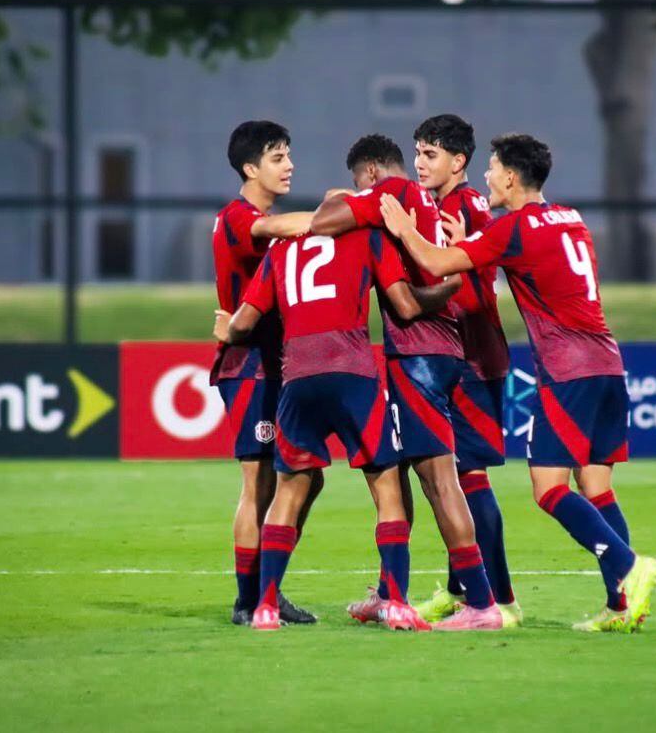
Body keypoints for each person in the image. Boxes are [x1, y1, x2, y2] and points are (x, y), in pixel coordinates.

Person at [377, 133, 656, 632]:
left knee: (548, 488)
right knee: (595, 485)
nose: (487, 177)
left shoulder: (516, 228)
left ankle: (630, 566)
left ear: (511, 177)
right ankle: (622, 606)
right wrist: (471, 237)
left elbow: (438, 263)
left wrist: (404, 228)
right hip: (607, 363)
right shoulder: (570, 219)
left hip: (567, 372)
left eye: (491, 169)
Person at [216, 215, 461, 631]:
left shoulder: (280, 250)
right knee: (386, 487)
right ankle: (397, 603)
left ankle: (265, 607)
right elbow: (404, 301)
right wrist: (452, 281)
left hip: (297, 379)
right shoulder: (365, 239)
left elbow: (243, 320)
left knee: (289, 492)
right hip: (354, 377)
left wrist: (228, 330)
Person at [311, 134, 503, 631]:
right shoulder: (426, 201)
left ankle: (482, 603)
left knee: (441, 482)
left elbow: (322, 225)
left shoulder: (388, 196)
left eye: (360, 183)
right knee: (400, 475)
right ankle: (388, 590)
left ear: (372, 174)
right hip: (445, 350)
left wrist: (352, 203)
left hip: (416, 355)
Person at [408, 114, 520, 625]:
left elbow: (477, 291)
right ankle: (461, 588)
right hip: (462, 358)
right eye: (417, 152)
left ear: (459, 162)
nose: (419, 163)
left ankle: (498, 599)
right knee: (447, 474)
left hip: (473, 359)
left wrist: (450, 258)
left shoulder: (465, 206)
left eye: (430, 154)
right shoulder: (446, 205)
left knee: (466, 477)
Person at [210, 120, 322, 626]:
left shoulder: (257, 216)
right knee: (258, 484)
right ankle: (248, 599)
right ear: (250, 168)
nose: (290, 165)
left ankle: (267, 590)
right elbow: (274, 229)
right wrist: (343, 213)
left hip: (271, 364)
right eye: (278, 158)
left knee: (307, 478)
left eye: (289, 155)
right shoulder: (239, 216)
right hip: (250, 365)